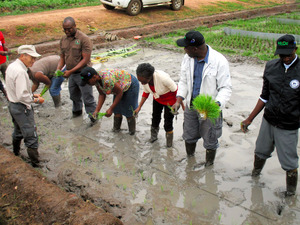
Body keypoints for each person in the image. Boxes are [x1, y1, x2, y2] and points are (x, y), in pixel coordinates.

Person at [241, 34, 299, 196]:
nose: (285, 58)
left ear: (295, 49)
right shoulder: (271, 66)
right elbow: (264, 96)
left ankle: (290, 193)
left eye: (288, 54)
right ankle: (255, 174)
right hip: (269, 119)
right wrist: (250, 118)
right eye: (282, 54)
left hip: (288, 124)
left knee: (289, 161)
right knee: (260, 150)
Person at [173, 31, 232, 167]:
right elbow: (183, 81)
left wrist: (216, 104)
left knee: (210, 138)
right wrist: (179, 100)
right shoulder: (187, 58)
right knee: (189, 134)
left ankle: (209, 166)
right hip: (191, 105)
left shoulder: (219, 61)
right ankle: (190, 159)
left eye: (186, 47)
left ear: (195, 49)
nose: (184, 50)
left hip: (210, 109)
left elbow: (225, 88)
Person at [6, 45, 44, 167]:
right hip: (22, 108)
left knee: (18, 131)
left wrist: (32, 94)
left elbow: (16, 89)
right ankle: (36, 165)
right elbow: (22, 96)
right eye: (31, 58)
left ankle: (15, 153)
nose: (33, 61)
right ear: (23, 56)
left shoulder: (11, 66)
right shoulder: (21, 72)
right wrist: (37, 100)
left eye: (35, 58)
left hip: (13, 105)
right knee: (31, 135)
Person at [57, 16, 96, 122]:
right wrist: (58, 69)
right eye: (64, 29)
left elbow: (85, 59)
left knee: (87, 97)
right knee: (74, 96)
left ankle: (93, 117)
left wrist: (70, 71)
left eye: (69, 29)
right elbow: (62, 57)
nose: (67, 31)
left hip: (83, 73)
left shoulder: (84, 39)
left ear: (75, 26)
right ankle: (77, 114)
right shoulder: (63, 40)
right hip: (71, 74)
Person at [80, 66, 139, 135]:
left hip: (130, 84)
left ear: (94, 77)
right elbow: (102, 94)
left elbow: (119, 92)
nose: (88, 84)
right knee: (117, 110)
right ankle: (116, 131)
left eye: (88, 82)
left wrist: (111, 108)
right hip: (119, 86)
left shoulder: (107, 80)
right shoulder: (96, 81)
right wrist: (97, 110)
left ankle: (132, 133)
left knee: (128, 111)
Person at [134, 63, 182, 147]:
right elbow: (146, 93)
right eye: (140, 81)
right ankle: (153, 137)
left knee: (168, 123)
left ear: (149, 78)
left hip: (170, 101)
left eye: (143, 81)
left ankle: (169, 144)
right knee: (155, 118)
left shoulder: (163, 78)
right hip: (158, 99)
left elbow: (176, 91)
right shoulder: (146, 82)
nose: (141, 83)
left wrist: (179, 104)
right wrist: (139, 107)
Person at [0, 31, 11, 100]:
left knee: (8, 77)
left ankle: (11, 92)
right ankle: (5, 93)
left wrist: (7, 49)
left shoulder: (0, 33)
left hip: (3, 60)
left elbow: (3, 45)